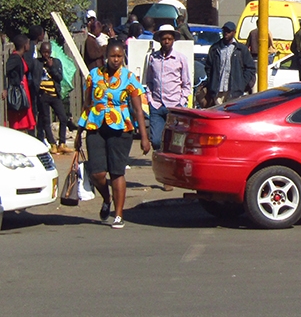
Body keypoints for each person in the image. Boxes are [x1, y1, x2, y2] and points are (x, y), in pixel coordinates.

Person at [74, 40, 150, 230]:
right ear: (106, 56)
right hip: (96, 127)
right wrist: (79, 131)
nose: (116, 60)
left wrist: (144, 136)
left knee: (117, 172)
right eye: (112, 56)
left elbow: (138, 109)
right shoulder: (93, 75)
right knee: (97, 173)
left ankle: (118, 214)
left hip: (121, 128)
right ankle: (106, 199)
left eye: (119, 56)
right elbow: (87, 104)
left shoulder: (129, 78)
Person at [143, 24, 193, 151]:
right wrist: (150, 99)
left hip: (175, 105)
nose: (166, 41)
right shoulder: (153, 58)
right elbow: (148, 81)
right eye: (164, 39)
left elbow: (186, 84)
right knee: (156, 141)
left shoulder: (180, 59)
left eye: (169, 39)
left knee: (176, 141)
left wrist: (181, 102)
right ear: (160, 40)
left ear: (173, 40)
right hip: (157, 105)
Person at [36, 41, 76, 154]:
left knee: (63, 117)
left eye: (48, 52)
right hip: (44, 95)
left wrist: (51, 67)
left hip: (55, 95)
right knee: (46, 119)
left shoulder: (56, 62)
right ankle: (52, 143)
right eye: (44, 52)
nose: (46, 55)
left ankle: (62, 143)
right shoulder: (38, 63)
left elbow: (59, 77)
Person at [205, 21, 256, 105]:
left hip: (234, 92)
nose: (226, 33)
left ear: (234, 32)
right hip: (218, 92)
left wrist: (241, 83)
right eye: (224, 31)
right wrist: (212, 83)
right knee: (218, 115)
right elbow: (208, 67)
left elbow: (250, 68)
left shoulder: (241, 49)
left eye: (228, 31)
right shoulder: (215, 48)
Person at [4, 33, 37, 135]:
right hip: (18, 90)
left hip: (24, 87)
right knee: (20, 119)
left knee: (25, 118)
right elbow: (7, 70)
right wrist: (7, 87)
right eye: (28, 43)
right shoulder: (15, 58)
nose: (29, 45)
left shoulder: (20, 57)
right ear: (24, 45)